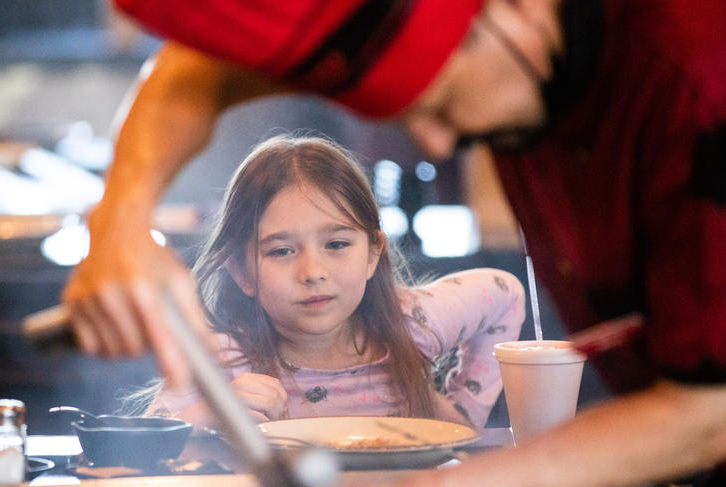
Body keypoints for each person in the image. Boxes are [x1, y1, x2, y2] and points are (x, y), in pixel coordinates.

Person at [61, 0, 726, 487]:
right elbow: (201, 69)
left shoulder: (702, 74)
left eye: (442, 105)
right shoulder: (441, 0)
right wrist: (120, 216)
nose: (437, 139)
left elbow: (709, 414)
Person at [141, 134, 524, 430]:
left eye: (337, 244)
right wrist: (213, 411)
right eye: (281, 251)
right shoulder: (224, 358)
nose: (312, 272)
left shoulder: (414, 323)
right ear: (241, 272)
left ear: (374, 252)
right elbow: (145, 436)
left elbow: (505, 294)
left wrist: (462, 417)